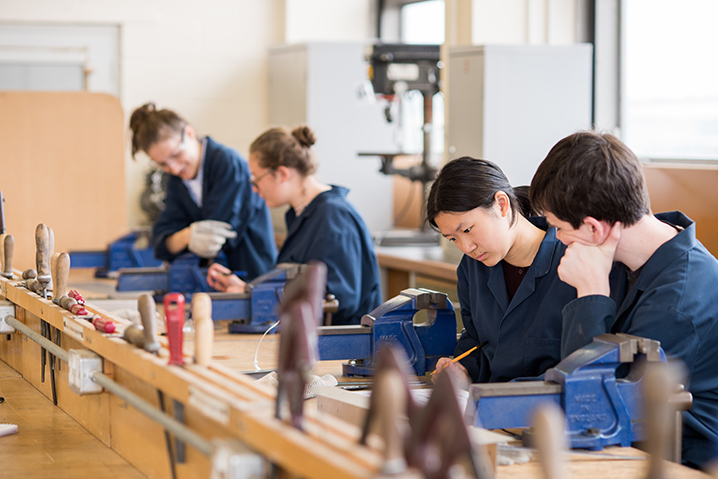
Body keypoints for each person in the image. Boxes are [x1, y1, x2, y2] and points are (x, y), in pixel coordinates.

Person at [529, 130, 718, 470]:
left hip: (677, 461)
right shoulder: (623, 259)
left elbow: (592, 405)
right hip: (627, 446)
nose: (558, 239)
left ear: (593, 229)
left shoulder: (678, 300)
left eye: (559, 228)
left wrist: (591, 293)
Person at [206, 125, 382, 326]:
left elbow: (337, 299)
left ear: (282, 173)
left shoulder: (334, 216)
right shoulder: (303, 214)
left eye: (257, 179)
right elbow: (296, 282)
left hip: (341, 349)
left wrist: (256, 297)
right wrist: (249, 290)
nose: (255, 189)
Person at [427, 157, 578, 385]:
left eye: (468, 229)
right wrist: (463, 370)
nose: (466, 247)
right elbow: (478, 341)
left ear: (501, 204)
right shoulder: (472, 268)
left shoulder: (574, 261)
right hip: (488, 411)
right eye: (453, 239)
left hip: (550, 412)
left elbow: (583, 364)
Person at [129, 103, 277, 280]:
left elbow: (216, 236)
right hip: (214, 282)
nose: (174, 168)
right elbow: (161, 240)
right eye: (162, 164)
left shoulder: (228, 164)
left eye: (176, 155)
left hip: (252, 277)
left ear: (189, 134)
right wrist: (187, 236)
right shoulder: (177, 181)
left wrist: (182, 237)